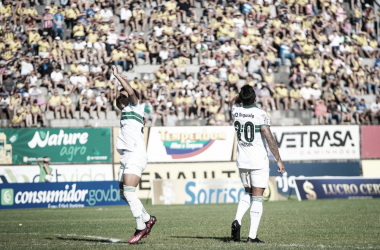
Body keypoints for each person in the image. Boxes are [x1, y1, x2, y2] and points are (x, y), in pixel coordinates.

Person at [229, 85, 285, 243]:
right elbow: (269, 137)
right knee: (258, 199)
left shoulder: (235, 111)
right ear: (255, 98)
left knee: (247, 193)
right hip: (258, 161)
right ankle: (252, 236)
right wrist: (279, 160)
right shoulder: (261, 114)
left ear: (242, 97)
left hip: (242, 161)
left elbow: (233, 101)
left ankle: (237, 220)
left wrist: (241, 96)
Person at [111, 65, 156, 244]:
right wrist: (119, 86)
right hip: (126, 156)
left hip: (136, 153)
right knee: (123, 192)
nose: (121, 97)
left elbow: (130, 93)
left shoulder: (136, 107)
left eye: (124, 95)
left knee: (129, 191)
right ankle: (147, 218)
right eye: (119, 95)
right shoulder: (124, 111)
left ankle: (141, 226)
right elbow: (119, 99)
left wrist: (118, 78)